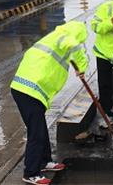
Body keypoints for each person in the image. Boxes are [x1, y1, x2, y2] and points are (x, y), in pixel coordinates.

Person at [10, 21, 89, 185]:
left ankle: (44, 161)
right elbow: (74, 45)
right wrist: (81, 67)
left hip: (28, 90)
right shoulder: (64, 37)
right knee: (36, 133)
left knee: (39, 128)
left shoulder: (55, 39)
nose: (80, 43)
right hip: (28, 91)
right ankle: (30, 172)